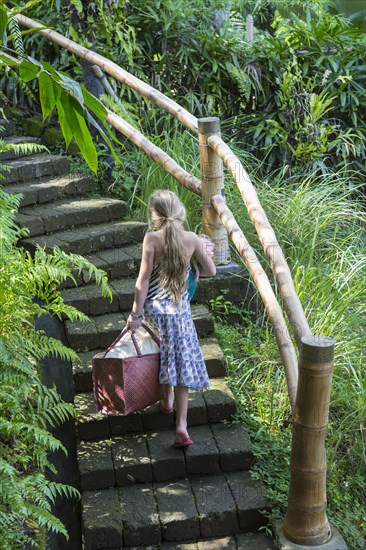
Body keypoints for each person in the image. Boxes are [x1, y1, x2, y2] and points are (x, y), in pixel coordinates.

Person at [126, 190, 216, 448]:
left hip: (155, 313)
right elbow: (211, 270)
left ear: (154, 215)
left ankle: (165, 403)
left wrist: (135, 314)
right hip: (180, 315)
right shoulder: (191, 239)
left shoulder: (151, 239)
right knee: (181, 363)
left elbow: (142, 281)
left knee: (160, 357)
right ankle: (181, 425)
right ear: (180, 212)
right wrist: (197, 262)